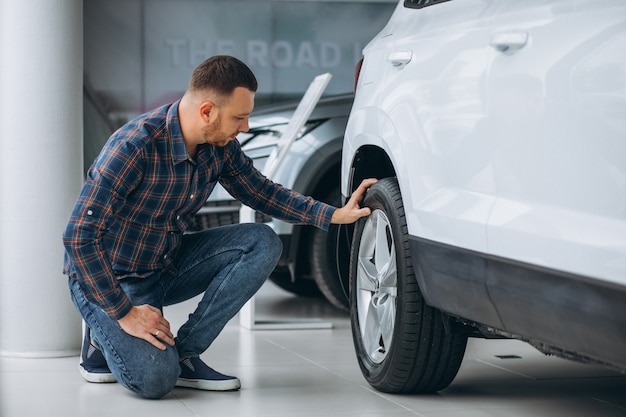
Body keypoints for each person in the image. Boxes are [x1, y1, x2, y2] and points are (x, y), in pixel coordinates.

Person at [63, 55, 377, 399]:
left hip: (162, 264)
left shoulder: (220, 147)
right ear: (207, 111)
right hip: (110, 279)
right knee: (154, 381)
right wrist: (124, 313)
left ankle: (184, 353)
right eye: (239, 117)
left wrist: (333, 214)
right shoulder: (134, 146)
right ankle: (101, 334)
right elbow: (78, 237)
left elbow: (261, 192)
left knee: (261, 241)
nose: (244, 127)